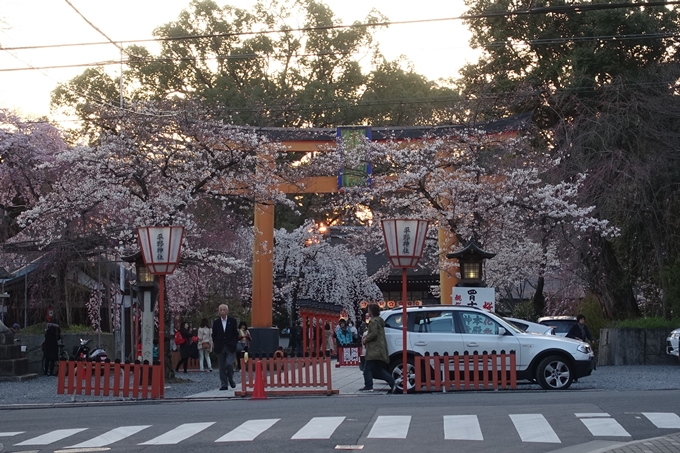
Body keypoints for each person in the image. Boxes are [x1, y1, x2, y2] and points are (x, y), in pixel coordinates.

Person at [360, 303, 396, 393]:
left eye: (369, 310)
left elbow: (373, 334)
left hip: (374, 350)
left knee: (367, 368)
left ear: (371, 311)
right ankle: (392, 382)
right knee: (378, 369)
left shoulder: (373, 321)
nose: (368, 311)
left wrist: (366, 339)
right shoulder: (380, 320)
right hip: (380, 349)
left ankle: (369, 386)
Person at [212, 304, 239, 390]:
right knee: (222, 366)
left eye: (224, 310)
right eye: (221, 310)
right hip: (220, 346)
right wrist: (215, 343)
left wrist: (234, 342)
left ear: (227, 311)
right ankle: (224, 383)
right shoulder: (216, 322)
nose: (222, 311)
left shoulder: (232, 321)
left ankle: (231, 379)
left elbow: (236, 333)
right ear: (219, 311)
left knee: (229, 364)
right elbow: (214, 335)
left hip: (230, 346)